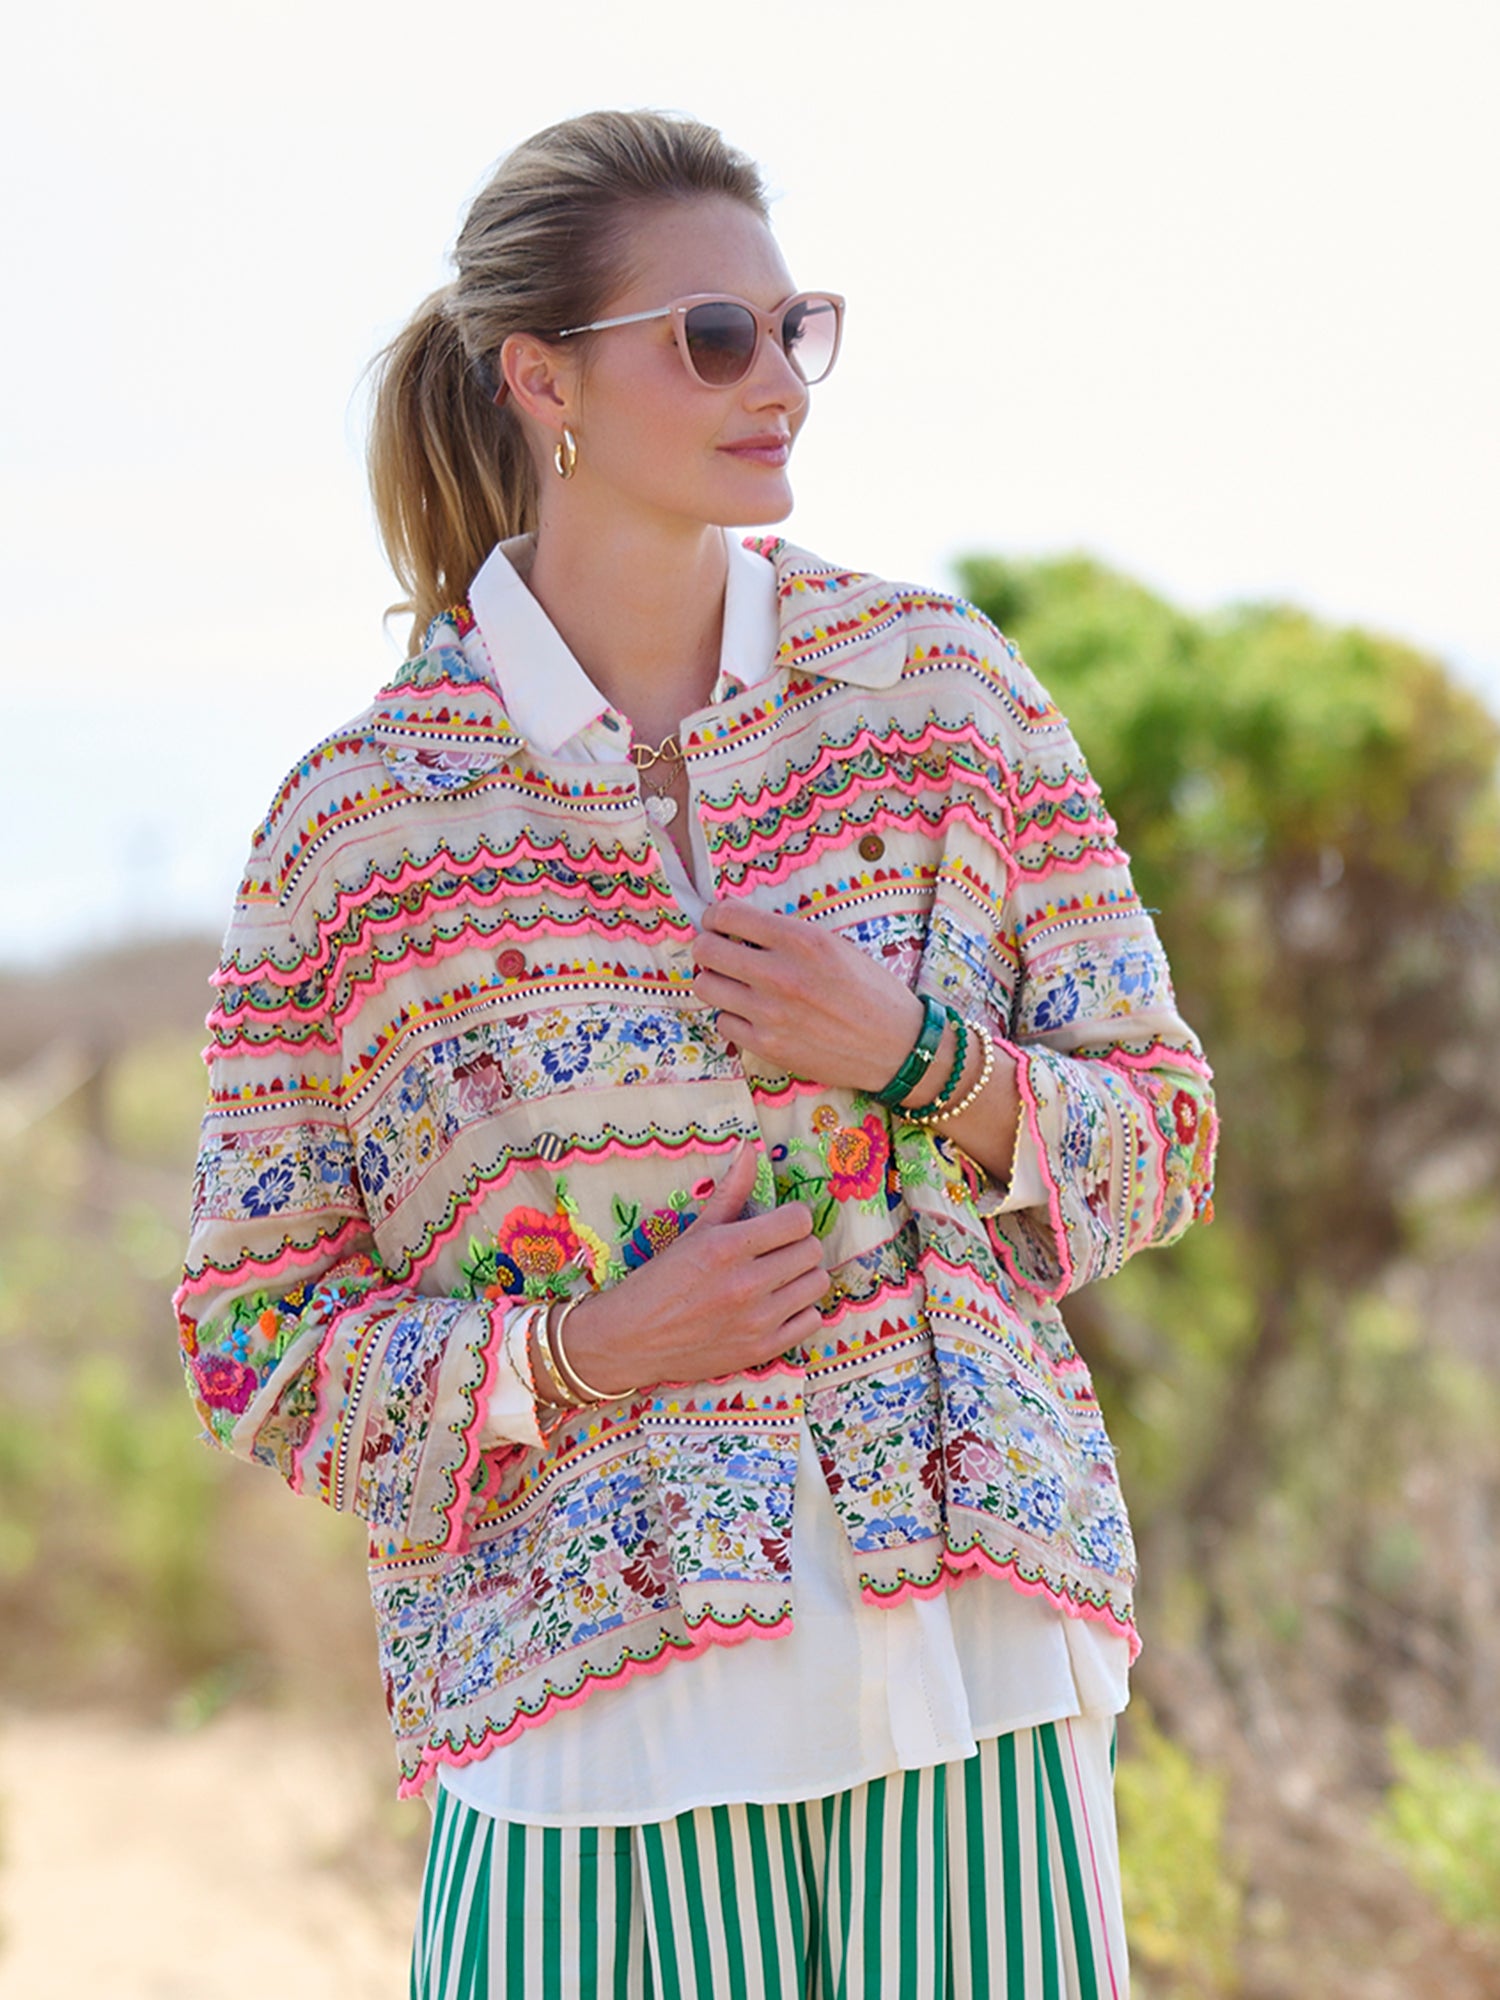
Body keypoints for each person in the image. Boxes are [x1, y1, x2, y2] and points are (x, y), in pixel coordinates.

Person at [175, 107, 1216, 1999]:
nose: (778, 382)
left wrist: (922, 1056)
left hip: (971, 1672)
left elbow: (1165, 1132)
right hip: (589, 1737)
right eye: (714, 338)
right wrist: (580, 1353)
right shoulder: (360, 833)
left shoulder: (940, 697)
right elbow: (254, 1338)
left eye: (797, 328)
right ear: (542, 379)